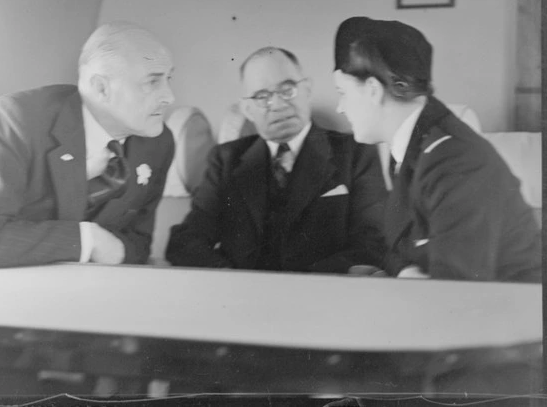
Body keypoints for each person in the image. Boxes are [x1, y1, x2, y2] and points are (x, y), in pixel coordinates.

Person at [0, 21, 175, 268]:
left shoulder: (158, 143)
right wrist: (89, 240)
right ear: (101, 88)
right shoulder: (17, 119)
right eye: (152, 82)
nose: (170, 97)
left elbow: (137, 245)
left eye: (168, 79)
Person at [332, 16, 542, 282]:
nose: (340, 107)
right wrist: (404, 271)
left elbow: (457, 293)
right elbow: (397, 245)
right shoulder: (412, 145)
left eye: (342, 92)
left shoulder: (456, 162)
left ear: (373, 90)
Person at [166, 47, 388, 273]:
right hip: (243, 296)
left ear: (307, 90)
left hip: (322, 295)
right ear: (248, 109)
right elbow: (186, 240)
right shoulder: (226, 159)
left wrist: (302, 286)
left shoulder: (355, 154)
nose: (279, 105)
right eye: (262, 97)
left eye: (288, 89)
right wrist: (228, 277)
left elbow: (372, 242)